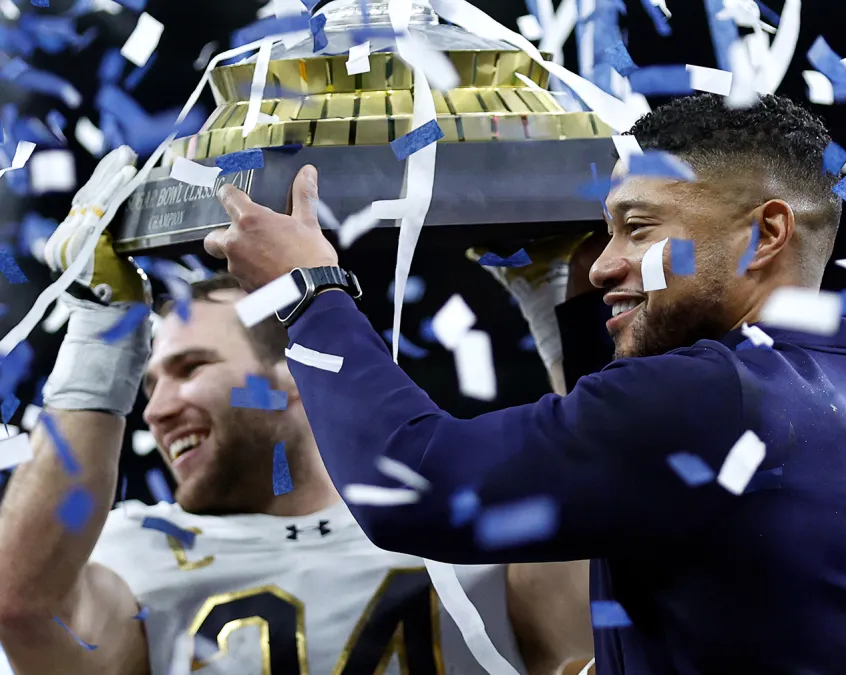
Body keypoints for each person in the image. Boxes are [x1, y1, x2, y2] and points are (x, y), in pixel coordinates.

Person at [206, 93, 846, 674]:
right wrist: (569, 314)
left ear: (766, 233)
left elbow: (415, 483)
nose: (607, 261)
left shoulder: (712, 399)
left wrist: (308, 293)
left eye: (638, 228)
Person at [0, 147, 532, 674]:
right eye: (149, 384)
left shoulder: (469, 518)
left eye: (191, 368)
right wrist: (99, 337)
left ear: (294, 375)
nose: (155, 411)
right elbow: (20, 604)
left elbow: (603, 563)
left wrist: (562, 316)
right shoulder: (132, 553)